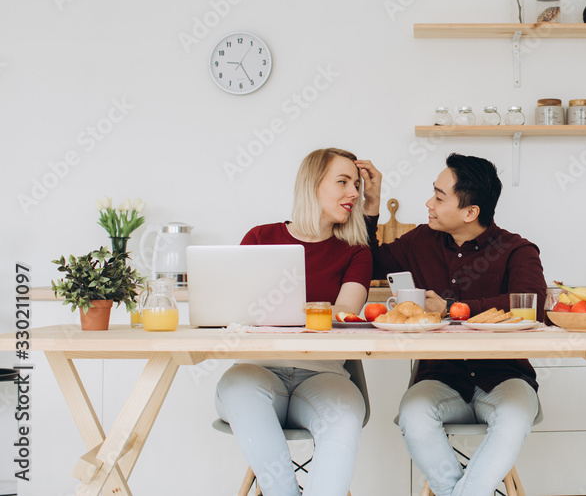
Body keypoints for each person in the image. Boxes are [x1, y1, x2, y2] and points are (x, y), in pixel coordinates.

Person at [355, 153, 546, 496]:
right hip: (439, 377)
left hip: (506, 377)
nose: (429, 203)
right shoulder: (419, 241)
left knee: (515, 419)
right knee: (413, 416)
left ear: (470, 212)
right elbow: (367, 264)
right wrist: (372, 204)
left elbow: (532, 304)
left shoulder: (516, 249)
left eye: (440, 197)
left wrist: (453, 308)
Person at [215, 148, 372, 496]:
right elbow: (234, 307)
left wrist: (276, 309)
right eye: (343, 182)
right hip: (259, 371)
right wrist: (312, 311)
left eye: (357, 185)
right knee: (238, 384)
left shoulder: (356, 251)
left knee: (345, 416)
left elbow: (346, 310)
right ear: (312, 185)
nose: (354, 193)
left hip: (324, 374)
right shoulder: (260, 238)